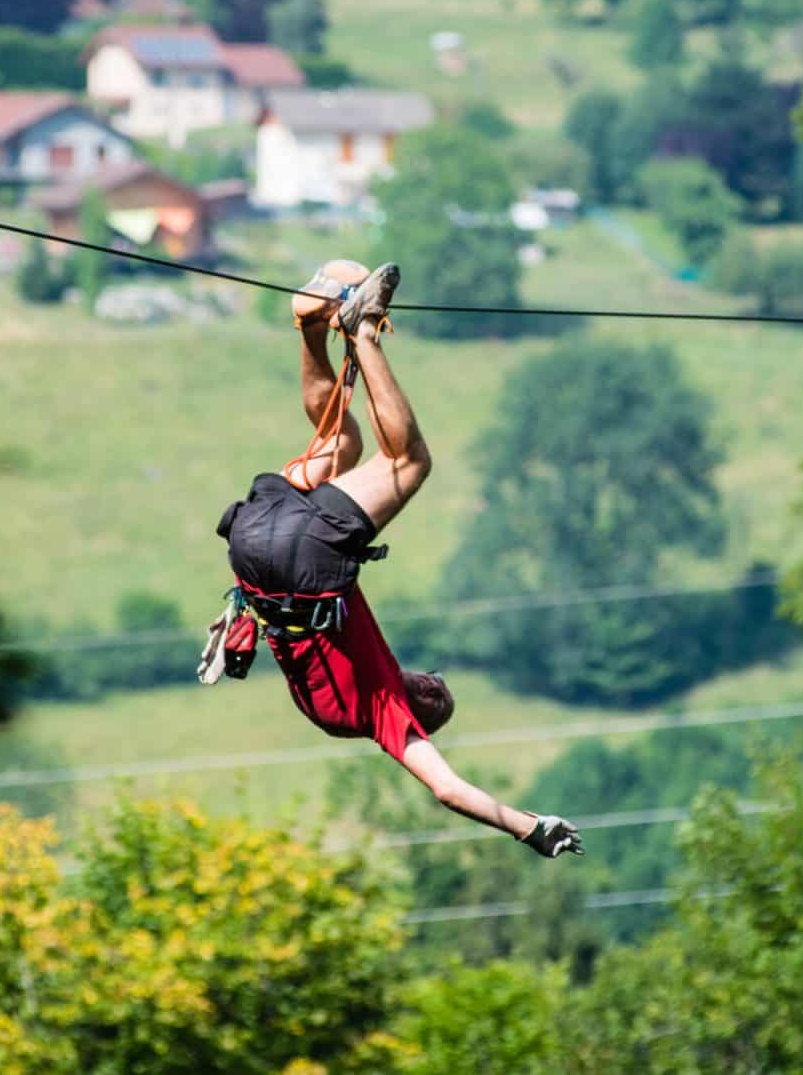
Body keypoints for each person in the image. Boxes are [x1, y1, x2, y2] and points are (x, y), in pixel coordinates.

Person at [199, 259, 583, 860]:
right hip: (253, 546)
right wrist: (236, 617)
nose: (431, 680)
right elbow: (285, 630)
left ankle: (363, 331)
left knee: (409, 462)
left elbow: (449, 789)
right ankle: (310, 326)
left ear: (423, 710)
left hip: (292, 554)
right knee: (340, 442)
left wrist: (526, 825)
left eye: (436, 692)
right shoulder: (337, 700)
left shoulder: (388, 715)